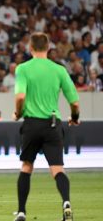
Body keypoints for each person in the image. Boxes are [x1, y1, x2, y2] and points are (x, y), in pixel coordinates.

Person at [13, 33, 80, 221]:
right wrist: (74, 118)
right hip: (52, 124)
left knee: (26, 166)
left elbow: (19, 96)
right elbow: (74, 103)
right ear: (49, 46)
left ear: (30, 47)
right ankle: (66, 203)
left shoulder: (23, 68)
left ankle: (21, 212)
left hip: (32, 123)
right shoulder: (59, 70)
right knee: (58, 169)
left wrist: (18, 113)